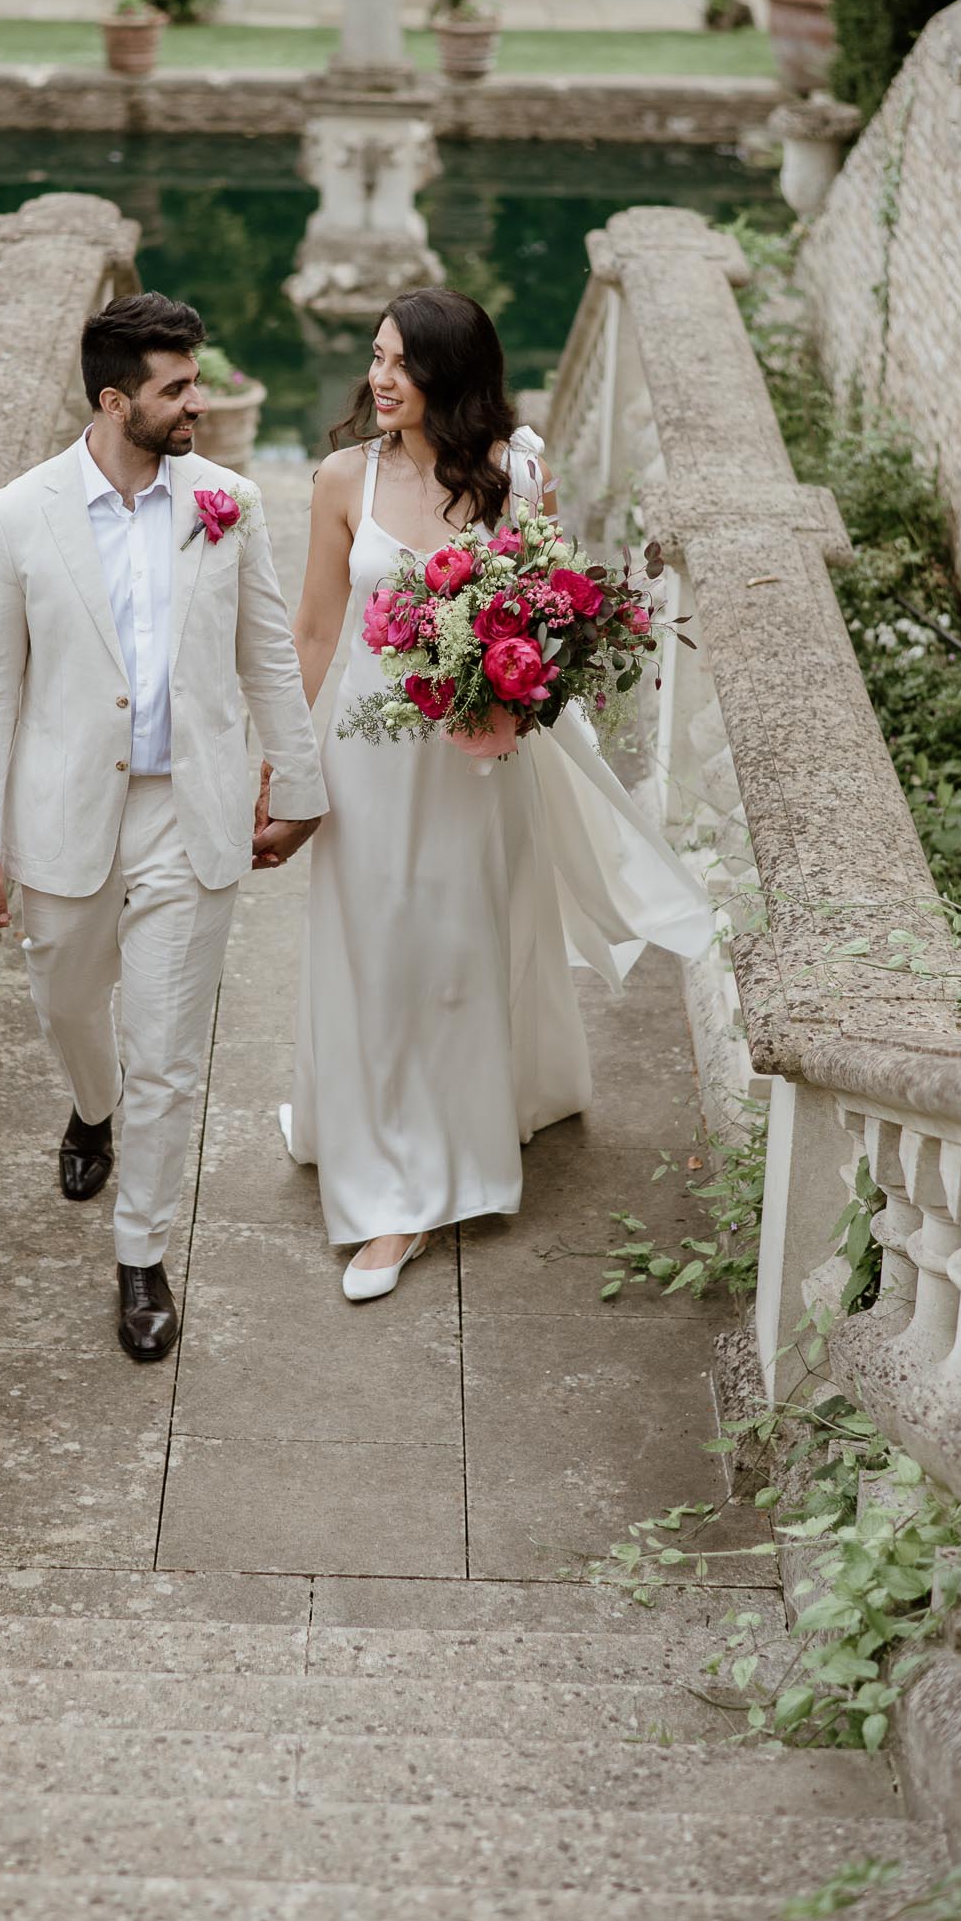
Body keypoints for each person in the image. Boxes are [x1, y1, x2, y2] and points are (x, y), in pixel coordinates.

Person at [272, 287, 713, 1301]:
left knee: (461, 945)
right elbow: (312, 633)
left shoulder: (517, 471)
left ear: (452, 376)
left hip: (477, 756)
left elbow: (554, 607)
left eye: (402, 363)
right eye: (375, 357)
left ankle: (433, 1170)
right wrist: (281, 761)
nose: (380, 379)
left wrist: (521, 680)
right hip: (371, 755)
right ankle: (376, 1157)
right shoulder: (344, 477)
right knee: (374, 945)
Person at [0, 291, 327, 1362]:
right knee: (67, 996)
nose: (197, 402)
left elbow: (266, 655)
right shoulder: (14, 517)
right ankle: (88, 1104)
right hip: (65, 812)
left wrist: (298, 788)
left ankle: (141, 1255)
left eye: (196, 380)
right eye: (176, 387)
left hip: (189, 813)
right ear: (115, 401)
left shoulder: (231, 504)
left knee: (169, 1054)